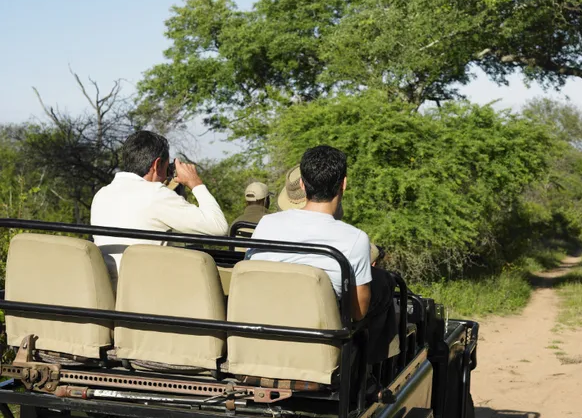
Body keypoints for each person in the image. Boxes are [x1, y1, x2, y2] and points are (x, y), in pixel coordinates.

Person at [248, 146, 372, 320]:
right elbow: (358, 313)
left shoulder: (266, 224)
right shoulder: (356, 239)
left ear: (302, 184)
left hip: (262, 328)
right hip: (317, 340)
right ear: (344, 183)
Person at [91, 130, 228, 284]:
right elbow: (219, 227)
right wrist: (195, 182)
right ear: (157, 164)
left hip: (109, 289)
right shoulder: (157, 195)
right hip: (145, 292)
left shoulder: (102, 194)